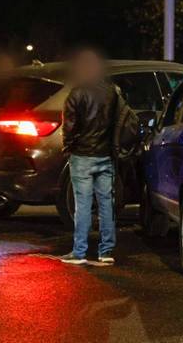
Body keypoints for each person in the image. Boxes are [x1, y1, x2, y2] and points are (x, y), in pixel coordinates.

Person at [60, 48, 119, 265]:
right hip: (105, 154)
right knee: (106, 204)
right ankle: (106, 251)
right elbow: (118, 122)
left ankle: (79, 251)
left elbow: (69, 126)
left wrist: (68, 147)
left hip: (82, 155)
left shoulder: (77, 93)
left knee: (83, 204)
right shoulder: (111, 91)